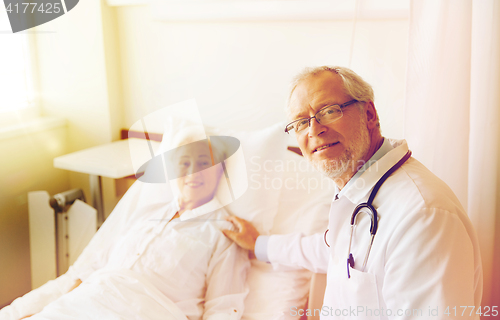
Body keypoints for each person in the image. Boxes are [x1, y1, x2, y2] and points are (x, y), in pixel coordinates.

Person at [223, 66, 482, 319]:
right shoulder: (359, 192)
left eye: (329, 111)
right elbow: (330, 250)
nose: (314, 130)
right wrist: (259, 245)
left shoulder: (422, 217)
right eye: (301, 122)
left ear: (369, 114)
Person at [2, 128, 249, 320]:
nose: (193, 171)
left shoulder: (224, 232)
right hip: (88, 301)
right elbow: (91, 269)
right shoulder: (145, 213)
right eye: (184, 163)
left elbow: (224, 308)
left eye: (204, 163)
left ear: (221, 171)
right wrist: (52, 308)